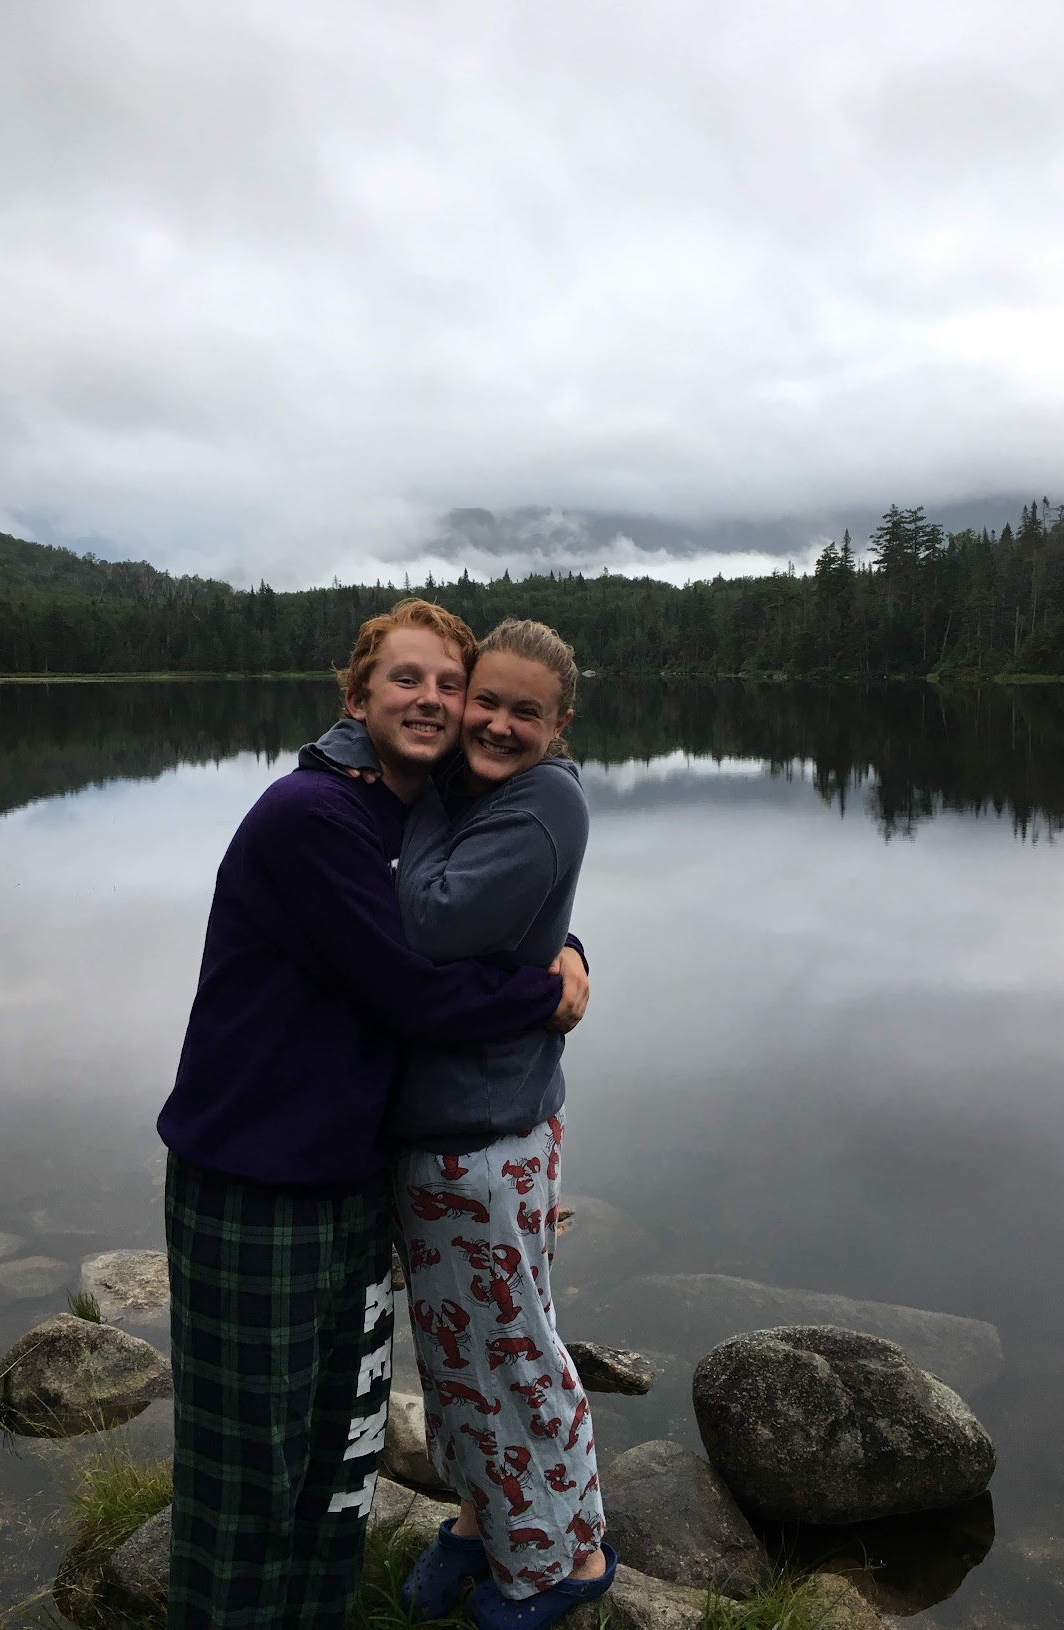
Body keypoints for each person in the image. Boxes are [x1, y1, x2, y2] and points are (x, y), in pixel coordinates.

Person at [156, 599, 589, 1630]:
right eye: (410, 679)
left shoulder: (416, 804)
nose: (437, 702)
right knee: (248, 1472)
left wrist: (568, 947)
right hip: (255, 1182)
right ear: (357, 697)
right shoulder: (312, 816)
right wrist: (548, 991)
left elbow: (499, 902)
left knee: (338, 1456)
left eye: (452, 682)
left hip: (351, 1180)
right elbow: (409, 986)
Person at [321, 618, 614, 1630]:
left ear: (559, 723)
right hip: (479, 1122)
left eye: (521, 711)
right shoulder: (481, 790)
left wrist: (409, 815)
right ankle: (490, 1521)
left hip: (477, 1137)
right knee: (466, 1352)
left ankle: (561, 1562)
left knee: (507, 1350)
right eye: (480, 699)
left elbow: (431, 919)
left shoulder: (535, 804)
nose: (489, 721)